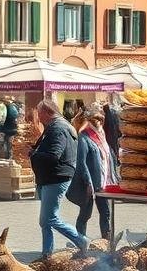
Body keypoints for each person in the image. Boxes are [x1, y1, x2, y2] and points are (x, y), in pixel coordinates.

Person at [30, 100, 86, 257]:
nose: (38, 117)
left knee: (49, 218)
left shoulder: (58, 128)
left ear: (48, 112)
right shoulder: (55, 127)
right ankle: (47, 253)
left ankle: (81, 240)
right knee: (45, 220)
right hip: (50, 177)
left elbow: (54, 154)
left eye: (39, 113)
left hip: (56, 177)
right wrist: (35, 149)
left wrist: (33, 154)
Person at [70, 108, 113, 240]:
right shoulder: (84, 136)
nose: (99, 122)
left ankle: (106, 241)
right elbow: (81, 162)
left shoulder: (102, 135)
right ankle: (80, 240)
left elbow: (107, 157)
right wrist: (88, 182)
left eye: (100, 119)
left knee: (105, 212)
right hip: (90, 183)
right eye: (96, 120)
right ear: (89, 121)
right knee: (85, 214)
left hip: (103, 182)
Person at [103, 101, 122, 168]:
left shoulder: (107, 115)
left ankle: (114, 161)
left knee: (112, 149)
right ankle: (116, 160)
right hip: (114, 134)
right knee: (115, 148)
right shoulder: (113, 113)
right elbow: (117, 124)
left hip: (109, 135)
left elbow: (105, 127)